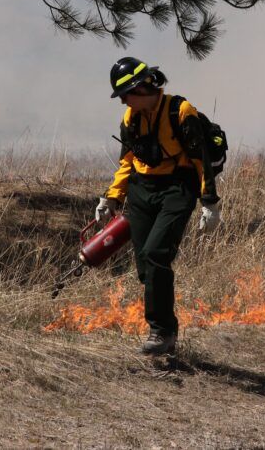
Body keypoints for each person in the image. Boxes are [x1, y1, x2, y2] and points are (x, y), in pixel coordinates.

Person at [95, 56, 223, 356]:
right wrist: (111, 197)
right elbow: (127, 161)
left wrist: (210, 203)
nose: (123, 102)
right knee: (145, 267)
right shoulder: (131, 119)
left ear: (139, 89)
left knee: (156, 255)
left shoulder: (181, 112)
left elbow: (200, 160)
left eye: (125, 95)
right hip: (142, 189)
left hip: (178, 188)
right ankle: (162, 329)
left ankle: (162, 332)